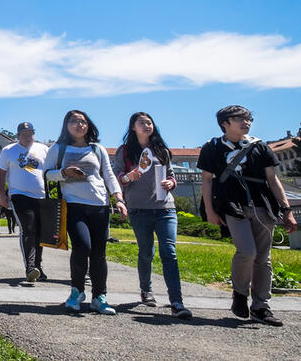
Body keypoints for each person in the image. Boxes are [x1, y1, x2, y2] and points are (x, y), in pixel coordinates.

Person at [199, 105, 297, 326]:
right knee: (247, 252)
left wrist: (286, 210)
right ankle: (240, 294)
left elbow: (273, 180)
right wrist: (210, 211)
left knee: (263, 258)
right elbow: (206, 180)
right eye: (239, 119)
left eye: (248, 119)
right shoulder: (212, 148)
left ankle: (261, 306)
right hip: (232, 206)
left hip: (263, 205)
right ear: (225, 123)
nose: (246, 123)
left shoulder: (259, 146)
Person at [43, 110, 126, 315]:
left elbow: (108, 175)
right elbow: (46, 174)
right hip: (73, 204)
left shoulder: (97, 149)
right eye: (73, 121)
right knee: (82, 246)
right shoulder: (58, 148)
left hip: (100, 204)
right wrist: (64, 173)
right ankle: (76, 292)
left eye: (82, 121)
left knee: (99, 253)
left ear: (88, 125)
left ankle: (99, 297)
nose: (79, 125)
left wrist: (119, 199)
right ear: (66, 125)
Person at [113, 112, 192, 319]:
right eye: (142, 123)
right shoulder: (125, 151)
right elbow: (117, 176)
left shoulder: (161, 150)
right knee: (146, 252)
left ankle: (177, 302)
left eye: (149, 122)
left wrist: (171, 183)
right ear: (133, 127)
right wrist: (128, 177)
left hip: (165, 208)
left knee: (169, 252)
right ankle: (146, 290)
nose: (147, 125)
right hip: (139, 209)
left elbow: (171, 175)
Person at [0, 122, 49, 282]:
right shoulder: (9, 151)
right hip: (20, 195)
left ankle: (38, 266)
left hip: (41, 196)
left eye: (31, 133)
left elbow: (51, 170)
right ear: (17, 136)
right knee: (28, 228)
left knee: (39, 232)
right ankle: (30, 268)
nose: (28, 137)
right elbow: (0, 174)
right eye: (24, 134)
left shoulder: (43, 149)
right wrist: (2, 195)